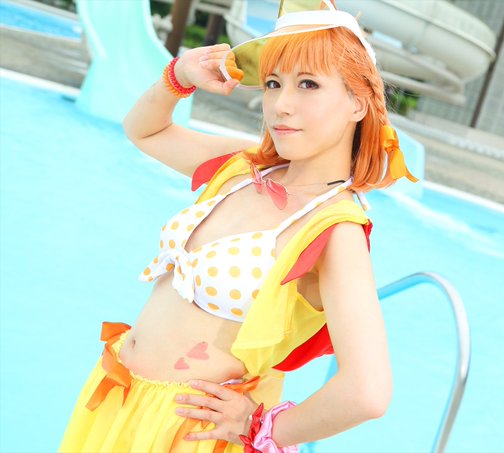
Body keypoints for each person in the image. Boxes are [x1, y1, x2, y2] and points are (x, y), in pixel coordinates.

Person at [60, 1, 417, 451]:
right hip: (119, 399)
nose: (281, 105)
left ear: (357, 102)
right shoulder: (245, 167)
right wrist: (180, 76)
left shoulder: (335, 229)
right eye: (273, 83)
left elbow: (368, 391)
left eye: (308, 84)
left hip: (191, 434)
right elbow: (143, 131)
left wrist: (261, 426)